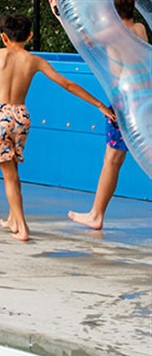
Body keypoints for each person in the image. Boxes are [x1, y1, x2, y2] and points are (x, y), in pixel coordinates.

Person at [0, 13, 115, 242]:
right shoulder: (35, 61)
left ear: (4, 37)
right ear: (30, 36)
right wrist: (100, 105)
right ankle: (13, 219)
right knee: (13, 170)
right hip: (21, 116)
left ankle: (22, 226)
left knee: (9, 176)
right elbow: (67, 83)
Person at [52, 0, 149, 231]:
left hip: (125, 105)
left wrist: (59, 12)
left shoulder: (114, 32)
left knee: (112, 161)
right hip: (145, 98)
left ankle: (96, 215)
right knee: (118, 158)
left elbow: (82, 40)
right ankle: (96, 213)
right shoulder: (139, 29)